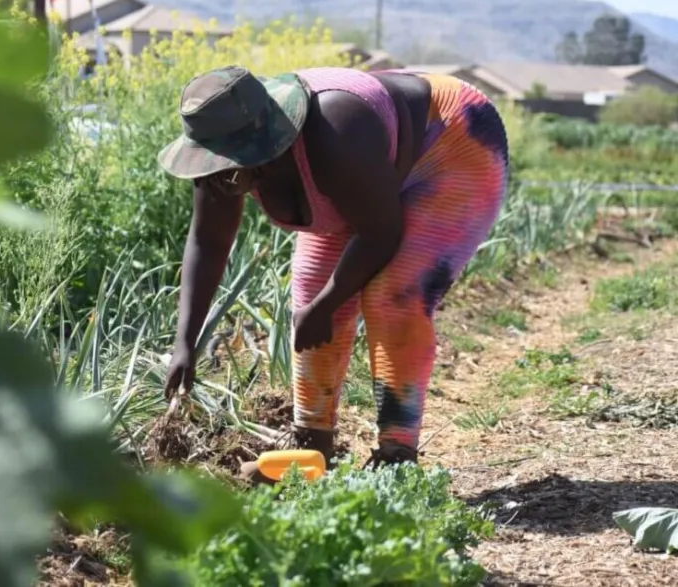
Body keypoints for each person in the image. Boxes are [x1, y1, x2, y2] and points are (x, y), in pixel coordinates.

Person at [158, 65, 508, 482]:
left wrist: (329, 304)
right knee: (309, 292)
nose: (216, 178)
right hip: (369, 171)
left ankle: (397, 458)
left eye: (227, 165)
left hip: (452, 139)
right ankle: (313, 448)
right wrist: (185, 342)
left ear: (262, 149)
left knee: (391, 297)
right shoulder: (220, 161)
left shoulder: (336, 131)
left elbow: (381, 232)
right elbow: (208, 242)